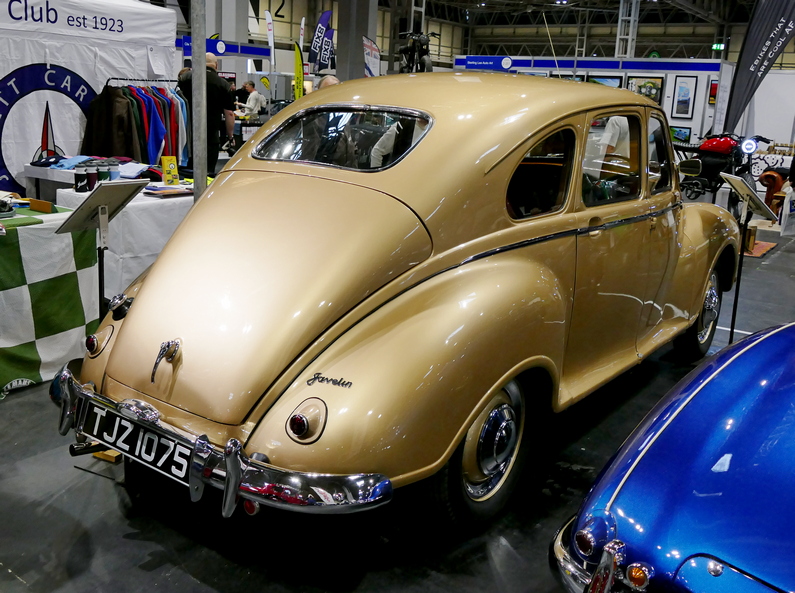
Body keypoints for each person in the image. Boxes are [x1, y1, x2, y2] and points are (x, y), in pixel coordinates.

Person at [177, 53, 235, 174]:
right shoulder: (223, 84)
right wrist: (230, 137)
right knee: (207, 174)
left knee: (185, 173)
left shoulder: (185, 78)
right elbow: (229, 113)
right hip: (211, 136)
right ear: (216, 65)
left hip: (186, 134)